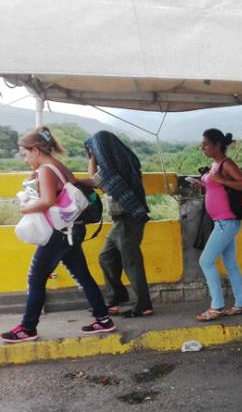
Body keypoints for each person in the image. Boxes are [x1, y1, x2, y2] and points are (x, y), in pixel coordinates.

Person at [1, 127, 116, 343]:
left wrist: (24, 209)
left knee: (35, 278)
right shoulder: (58, 166)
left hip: (59, 234)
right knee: (82, 275)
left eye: (25, 154)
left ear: (35, 150)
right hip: (72, 230)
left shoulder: (46, 170)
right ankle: (103, 319)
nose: (25, 160)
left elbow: (47, 201)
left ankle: (28, 328)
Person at [78, 131, 153, 318]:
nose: (91, 153)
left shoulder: (113, 169)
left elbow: (93, 179)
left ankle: (143, 305)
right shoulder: (119, 164)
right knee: (106, 257)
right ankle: (117, 296)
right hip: (122, 220)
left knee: (131, 263)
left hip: (128, 219)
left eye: (93, 150)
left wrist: (70, 179)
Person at [195, 129, 242, 322]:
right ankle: (241, 303)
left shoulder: (226, 164)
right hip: (222, 221)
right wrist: (203, 184)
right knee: (230, 264)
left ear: (217, 145)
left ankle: (217, 306)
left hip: (227, 222)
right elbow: (216, 186)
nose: (202, 147)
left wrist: (221, 179)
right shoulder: (215, 164)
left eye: (206, 144)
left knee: (206, 261)